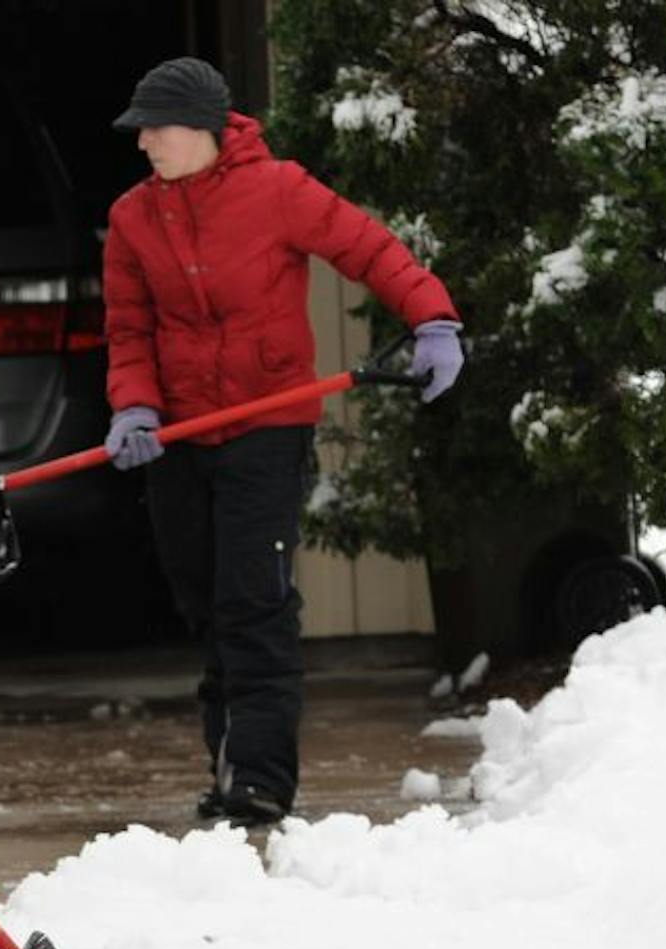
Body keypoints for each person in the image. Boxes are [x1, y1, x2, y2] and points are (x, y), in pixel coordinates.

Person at [99, 58, 464, 828]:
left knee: (253, 601)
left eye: (155, 130)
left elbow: (370, 249)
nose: (145, 146)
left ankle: (260, 780)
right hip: (181, 435)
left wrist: (432, 318)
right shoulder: (133, 219)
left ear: (201, 129)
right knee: (203, 595)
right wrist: (133, 408)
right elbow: (130, 331)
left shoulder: (278, 191)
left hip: (268, 423)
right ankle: (232, 755)